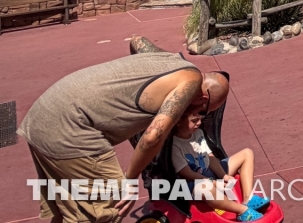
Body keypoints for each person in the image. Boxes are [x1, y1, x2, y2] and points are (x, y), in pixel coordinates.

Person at [18, 52, 229, 223]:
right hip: (71, 129)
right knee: (107, 211)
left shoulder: (173, 60)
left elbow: (137, 40)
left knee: (70, 211)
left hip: (44, 114)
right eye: (205, 111)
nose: (201, 115)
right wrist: (129, 180)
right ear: (202, 98)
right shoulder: (190, 84)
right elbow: (152, 137)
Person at [172, 106, 269, 221]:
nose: (199, 123)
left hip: (209, 172)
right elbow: (186, 173)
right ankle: (242, 211)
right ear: (178, 121)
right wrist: (213, 183)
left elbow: (210, 157)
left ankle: (248, 199)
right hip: (193, 183)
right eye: (194, 120)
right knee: (206, 188)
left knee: (247, 153)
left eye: (200, 118)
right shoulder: (174, 144)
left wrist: (224, 176)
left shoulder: (198, 133)